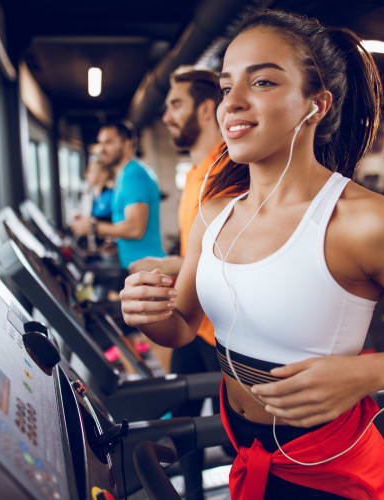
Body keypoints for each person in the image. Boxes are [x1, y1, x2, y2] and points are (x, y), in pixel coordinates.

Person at [120, 9, 384, 499]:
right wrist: (148, 313)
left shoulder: (365, 222)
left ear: (315, 105)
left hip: (333, 472)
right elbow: (183, 326)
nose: (231, 102)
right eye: (226, 85)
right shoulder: (214, 213)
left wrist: (369, 372)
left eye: (263, 82)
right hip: (247, 450)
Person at [129, 66, 233, 500]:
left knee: (233, 437)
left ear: (205, 109)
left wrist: (165, 263)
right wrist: (166, 263)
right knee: (181, 422)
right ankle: (191, 492)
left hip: (224, 333)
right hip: (193, 322)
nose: (167, 115)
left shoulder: (230, 170)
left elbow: (231, 253)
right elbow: (201, 254)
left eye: (176, 105)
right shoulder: (194, 174)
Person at [72, 122, 165, 268]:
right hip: (136, 265)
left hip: (147, 269)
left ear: (127, 144)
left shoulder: (133, 174)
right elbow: (128, 224)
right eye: (100, 143)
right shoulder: (124, 175)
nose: (102, 149)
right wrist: (119, 243)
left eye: (108, 142)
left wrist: (92, 227)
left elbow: (135, 229)